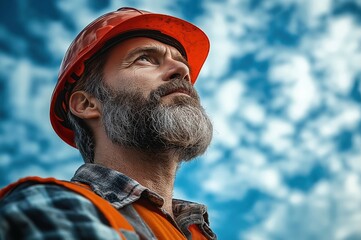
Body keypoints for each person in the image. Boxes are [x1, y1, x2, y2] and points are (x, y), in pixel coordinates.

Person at [0, 7, 216, 240]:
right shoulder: (54, 205)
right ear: (86, 104)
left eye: (182, 63)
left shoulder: (195, 232)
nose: (182, 70)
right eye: (144, 58)